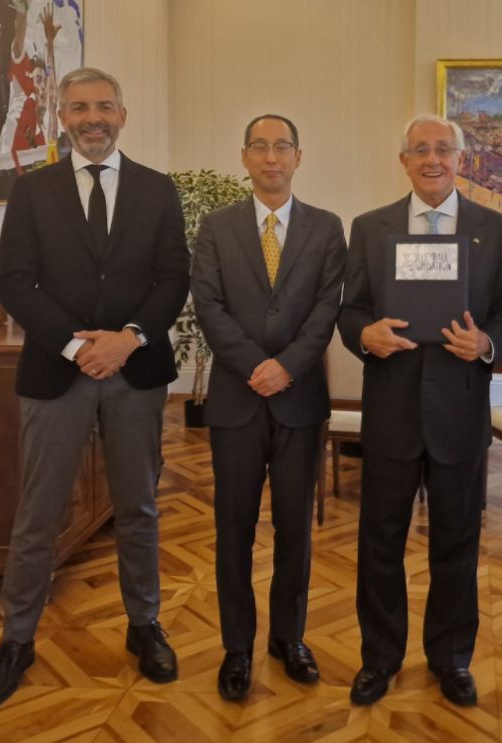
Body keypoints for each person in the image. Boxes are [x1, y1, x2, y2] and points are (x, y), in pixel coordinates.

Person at [0, 66, 189, 711]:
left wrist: (127, 339)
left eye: (103, 106)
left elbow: (173, 279)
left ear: (122, 115)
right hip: (55, 373)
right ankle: (16, 640)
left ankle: (144, 625)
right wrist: (77, 347)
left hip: (136, 373)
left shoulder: (157, 189)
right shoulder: (32, 191)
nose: (92, 118)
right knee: (38, 514)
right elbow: (15, 283)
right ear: (61, 117)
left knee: (138, 508)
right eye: (78, 108)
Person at [337, 114, 502, 708]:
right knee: (379, 542)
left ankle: (451, 659)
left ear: (461, 159)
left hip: (459, 411)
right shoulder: (370, 228)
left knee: (457, 543)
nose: (433, 159)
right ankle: (379, 658)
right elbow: (350, 310)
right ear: (404, 160)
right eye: (421, 149)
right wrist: (365, 335)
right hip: (391, 407)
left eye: (444, 149)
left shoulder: (497, 230)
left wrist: (487, 344)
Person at [190, 114, 346, 701]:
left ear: (298, 157)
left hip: (299, 400)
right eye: (261, 146)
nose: (272, 157)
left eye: (282, 147)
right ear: (244, 156)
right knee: (233, 527)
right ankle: (237, 647)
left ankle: (288, 638)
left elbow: (327, 309)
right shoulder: (216, 227)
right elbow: (207, 304)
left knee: (294, 528)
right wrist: (257, 364)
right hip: (236, 399)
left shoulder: (326, 228)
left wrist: (288, 366)